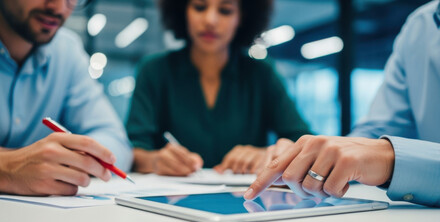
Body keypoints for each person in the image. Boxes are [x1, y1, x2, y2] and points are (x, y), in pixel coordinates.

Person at [244, 1, 440, 207]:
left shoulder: (261, 72)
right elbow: (377, 131)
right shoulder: (419, 26)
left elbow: (381, 153)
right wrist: (315, 157)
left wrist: (394, 160)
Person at [126, 0, 310, 176]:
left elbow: (302, 141)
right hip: (168, 200)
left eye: (225, 10)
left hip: (246, 201)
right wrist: (155, 161)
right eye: (199, 7)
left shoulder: (262, 73)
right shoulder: (154, 70)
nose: (210, 20)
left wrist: (268, 155)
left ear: (242, 17)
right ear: (183, 10)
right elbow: (133, 149)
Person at [0, 0, 133, 196]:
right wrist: (7, 168)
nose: (59, 7)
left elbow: (116, 142)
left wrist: (71, 158)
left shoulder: (66, 50)